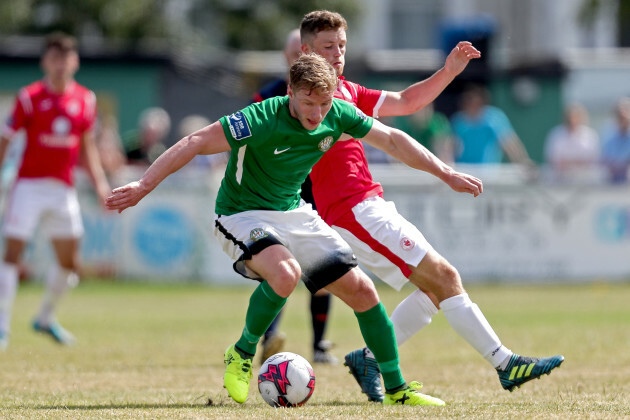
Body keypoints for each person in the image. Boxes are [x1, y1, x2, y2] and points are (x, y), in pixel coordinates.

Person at [104, 53, 489, 406]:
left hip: (294, 213)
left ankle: (396, 389)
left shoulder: (337, 111)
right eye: (308, 103)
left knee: (363, 291)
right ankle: (241, 353)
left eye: (323, 104)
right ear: (290, 92)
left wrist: (446, 172)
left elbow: (391, 139)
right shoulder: (261, 117)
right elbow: (194, 141)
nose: (317, 113)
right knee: (285, 275)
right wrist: (142, 186)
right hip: (242, 214)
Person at [298, 10, 563, 402]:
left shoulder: (347, 90)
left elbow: (406, 101)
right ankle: (506, 364)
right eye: (327, 47)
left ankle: (369, 359)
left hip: (371, 205)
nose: (337, 54)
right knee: (445, 276)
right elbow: (394, 141)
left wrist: (449, 71)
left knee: (436, 290)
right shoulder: (312, 102)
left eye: (341, 46)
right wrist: (446, 173)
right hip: (354, 212)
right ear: (306, 51)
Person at [0, 32, 110, 350]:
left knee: (70, 262)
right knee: (12, 254)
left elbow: (87, 146)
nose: (60, 65)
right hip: (28, 187)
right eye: (54, 58)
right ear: (45, 62)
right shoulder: (29, 98)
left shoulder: (85, 100)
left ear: (74, 62)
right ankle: (3, 327)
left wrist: (100, 184)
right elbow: (6, 140)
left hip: (63, 190)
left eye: (66, 58)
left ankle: (45, 318)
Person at [252, 28, 337, 365]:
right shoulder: (269, 97)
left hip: (319, 194)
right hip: (278, 198)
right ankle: (269, 338)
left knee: (324, 271)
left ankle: (319, 345)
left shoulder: (331, 96)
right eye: (293, 54)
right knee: (279, 270)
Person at [451, 84, 533, 165]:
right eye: (468, 101)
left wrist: (522, 161)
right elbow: (450, 145)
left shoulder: (494, 118)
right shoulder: (458, 120)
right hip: (464, 169)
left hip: (489, 170)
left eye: (475, 101)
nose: (472, 105)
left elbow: (509, 142)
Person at [544, 103, 600, 183]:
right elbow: (553, 160)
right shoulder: (556, 134)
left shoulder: (590, 135)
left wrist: (571, 163)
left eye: (576, 117)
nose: (573, 121)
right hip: (560, 178)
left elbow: (593, 159)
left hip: (585, 179)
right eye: (570, 118)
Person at [601, 97, 630, 183]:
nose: (623, 116)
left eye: (626, 111)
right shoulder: (607, 135)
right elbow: (605, 161)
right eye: (619, 114)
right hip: (613, 183)